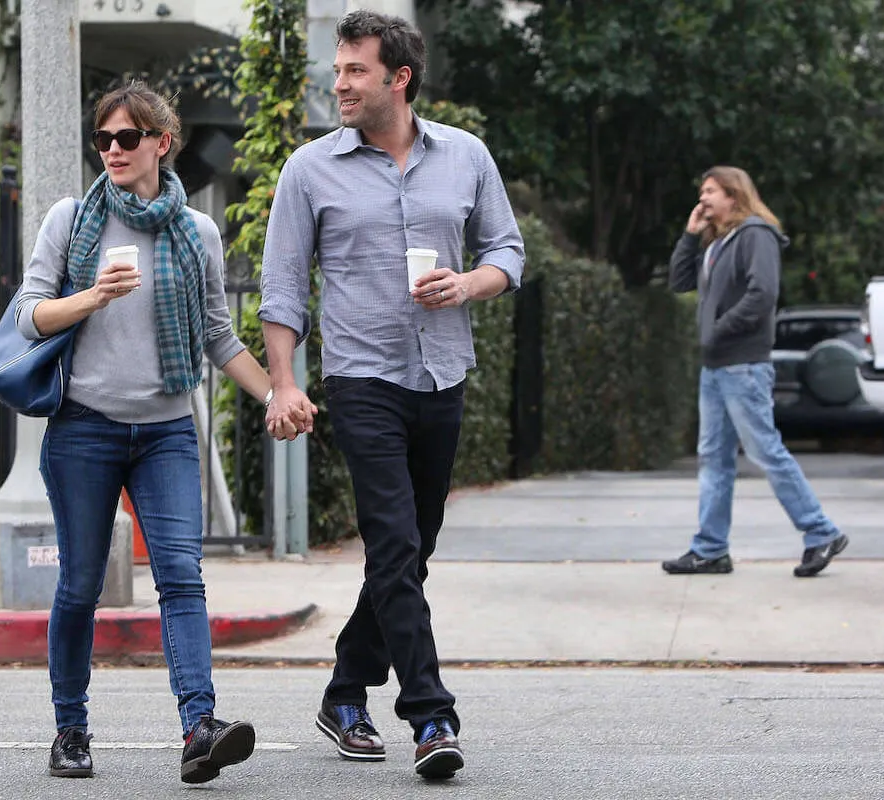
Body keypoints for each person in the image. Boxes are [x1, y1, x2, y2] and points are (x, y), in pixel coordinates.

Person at [15, 81, 309, 783]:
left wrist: (281, 392)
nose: (112, 151)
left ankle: (199, 727)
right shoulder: (70, 220)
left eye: (126, 138)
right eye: (103, 139)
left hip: (167, 430)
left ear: (160, 144)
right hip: (83, 428)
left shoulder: (196, 232)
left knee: (182, 575)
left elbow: (216, 333)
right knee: (82, 584)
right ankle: (71, 729)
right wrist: (93, 296)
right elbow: (30, 315)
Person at [258, 9, 524, 781]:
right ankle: (431, 715)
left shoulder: (465, 156)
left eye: (354, 71)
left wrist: (469, 282)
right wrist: (284, 381)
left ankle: (345, 691)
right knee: (395, 545)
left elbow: (507, 250)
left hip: (441, 373)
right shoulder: (309, 170)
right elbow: (282, 287)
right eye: (337, 70)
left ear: (398, 79)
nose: (338, 83)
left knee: (415, 548)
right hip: (361, 376)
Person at [664, 166, 848, 578]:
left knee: (765, 451)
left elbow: (763, 294)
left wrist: (718, 330)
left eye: (710, 191)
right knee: (713, 459)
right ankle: (710, 549)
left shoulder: (756, 234)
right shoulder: (717, 242)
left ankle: (821, 532)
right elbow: (679, 282)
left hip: (744, 364)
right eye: (702, 191)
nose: (703, 198)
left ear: (734, 194)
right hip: (716, 367)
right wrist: (691, 235)